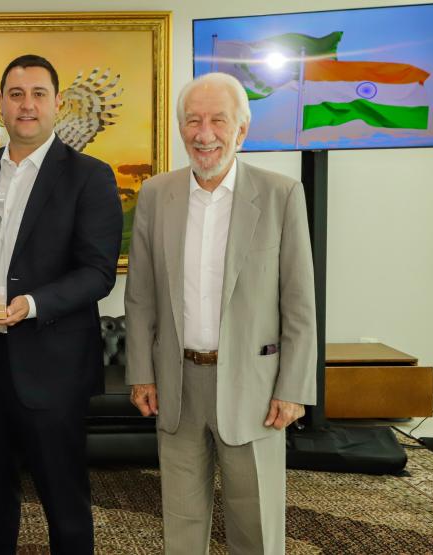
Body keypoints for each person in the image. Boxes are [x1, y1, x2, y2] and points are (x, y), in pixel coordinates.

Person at [124, 72, 317, 554]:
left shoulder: (280, 194)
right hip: (177, 385)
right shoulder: (156, 195)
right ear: (181, 128)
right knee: (182, 525)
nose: (204, 133)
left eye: (218, 120)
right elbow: (140, 296)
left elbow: (299, 303)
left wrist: (294, 388)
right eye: (193, 121)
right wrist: (141, 374)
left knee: (256, 525)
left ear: (241, 130)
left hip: (254, 388)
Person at [0, 54, 124, 554]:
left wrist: (31, 302)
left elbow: (97, 272)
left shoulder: (89, 175)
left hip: (52, 366)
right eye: (16, 94)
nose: (27, 105)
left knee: (64, 502)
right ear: (0, 104)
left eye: (38, 94)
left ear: (57, 103)